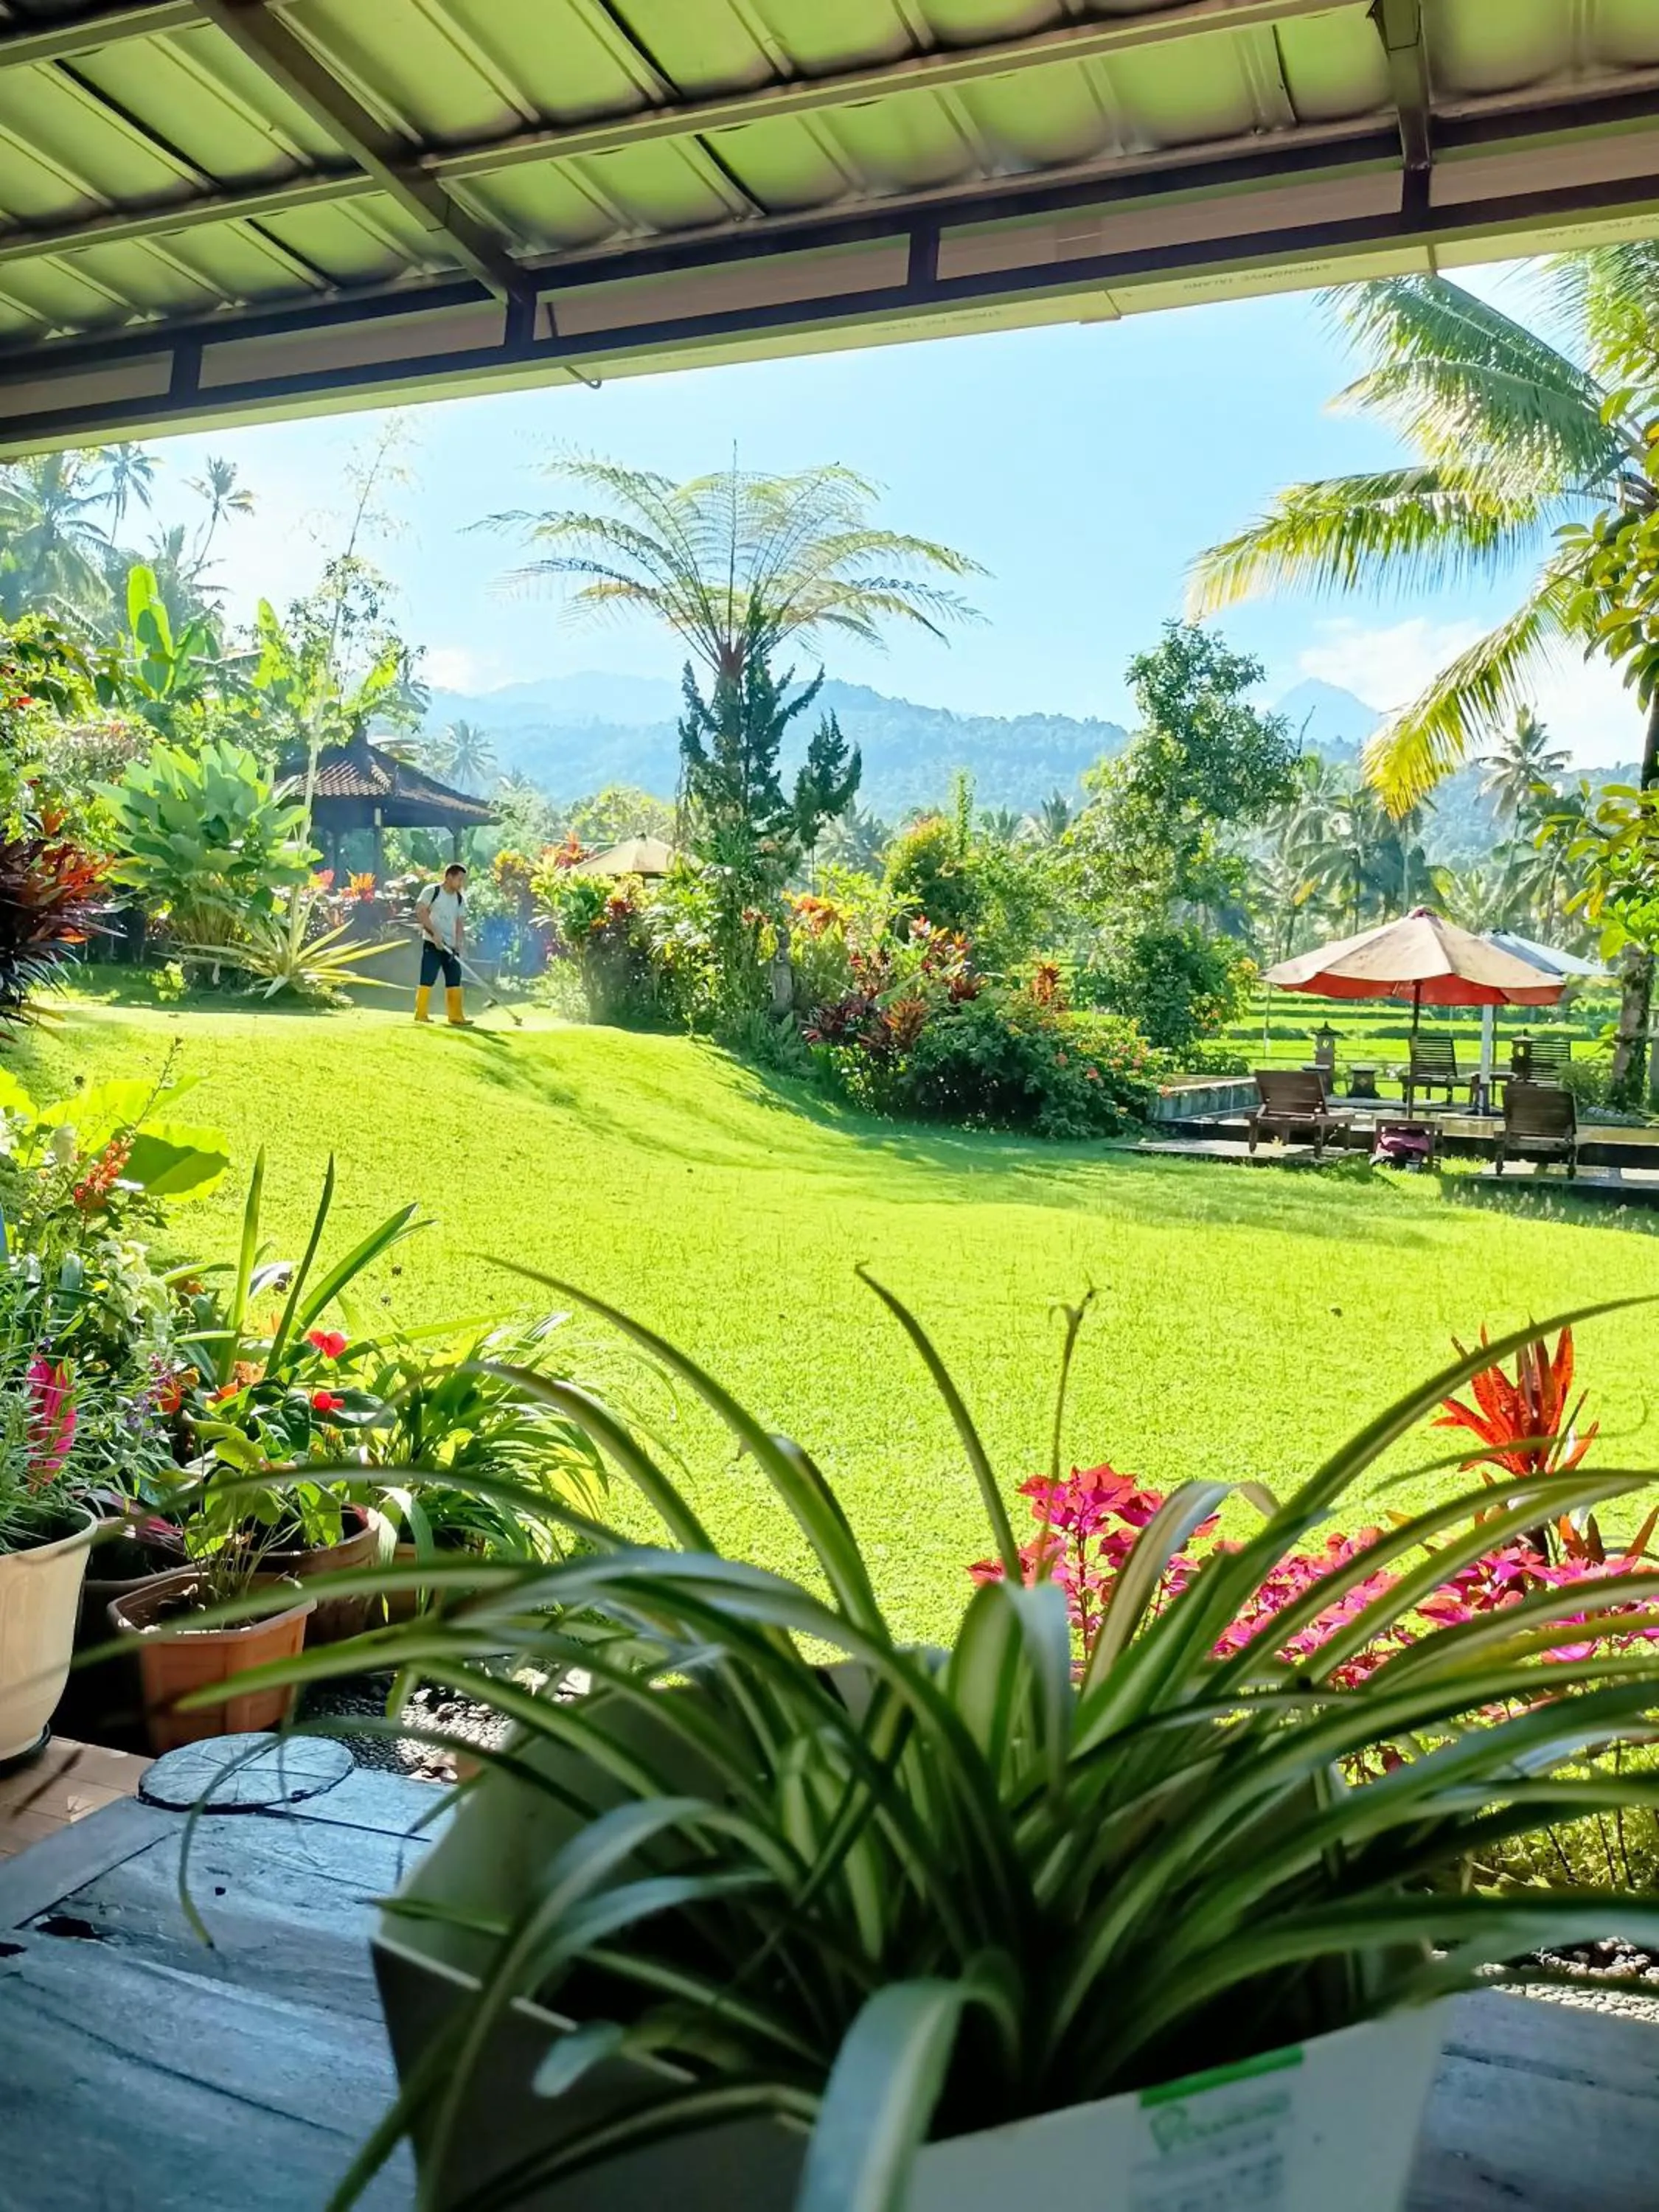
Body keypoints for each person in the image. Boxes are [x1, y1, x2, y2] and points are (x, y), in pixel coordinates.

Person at [414, 863, 471, 1026]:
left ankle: (456, 1016)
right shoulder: (433, 891)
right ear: (449, 877)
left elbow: (460, 922)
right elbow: (420, 910)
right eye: (459, 879)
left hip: (451, 947)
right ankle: (421, 1014)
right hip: (433, 943)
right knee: (428, 977)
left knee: (454, 979)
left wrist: (459, 942)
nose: (461, 883)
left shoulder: (460, 899)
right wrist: (434, 933)